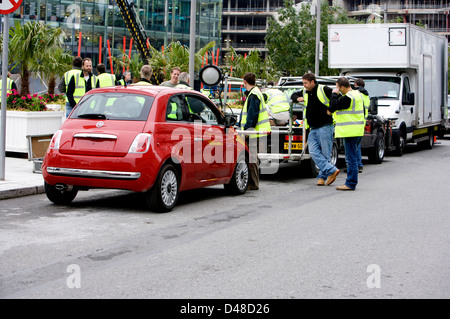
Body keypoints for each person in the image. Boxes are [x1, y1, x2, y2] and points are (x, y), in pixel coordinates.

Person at [291, 73, 339, 186]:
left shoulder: (324, 89)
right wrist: (297, 98)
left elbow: (336, 97)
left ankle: (322, 177)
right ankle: (331, 170)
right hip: (312, 128)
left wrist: (331, 108)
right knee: (312, 152)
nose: (304, 86)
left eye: (306, 83)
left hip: (325, 126)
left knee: (325, 154)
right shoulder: (305, 91)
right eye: (303, 83)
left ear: (313, 82)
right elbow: (292, 95)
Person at [328, 77, 365, 191]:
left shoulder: (348, 98)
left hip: (350, 131)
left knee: (350, 159)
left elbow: (333, 106)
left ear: (342, 87)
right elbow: (340, 104)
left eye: (338, 87)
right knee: (352, 157)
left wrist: (334, 94)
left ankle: (350, 183)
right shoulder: (356, 94)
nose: (337, 89)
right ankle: (351, 182)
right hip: (357, 130)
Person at [239, 72, 271, 190]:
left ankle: (253, 183)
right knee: (252, 157)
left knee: (252, 158)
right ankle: (252, 182)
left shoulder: (253, 95)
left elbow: (252, 115)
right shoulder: (256, 93)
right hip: (256, 131)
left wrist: (246, 131)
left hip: (253, 132)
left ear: (245, 82)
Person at [353, 78, 370, 173]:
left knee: (354, 146)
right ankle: (359, 165)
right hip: (362, 122)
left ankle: (357, 165)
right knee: (357, 145)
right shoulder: (366, 95)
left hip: (355, 121)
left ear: (356, 85)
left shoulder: (357, 94)